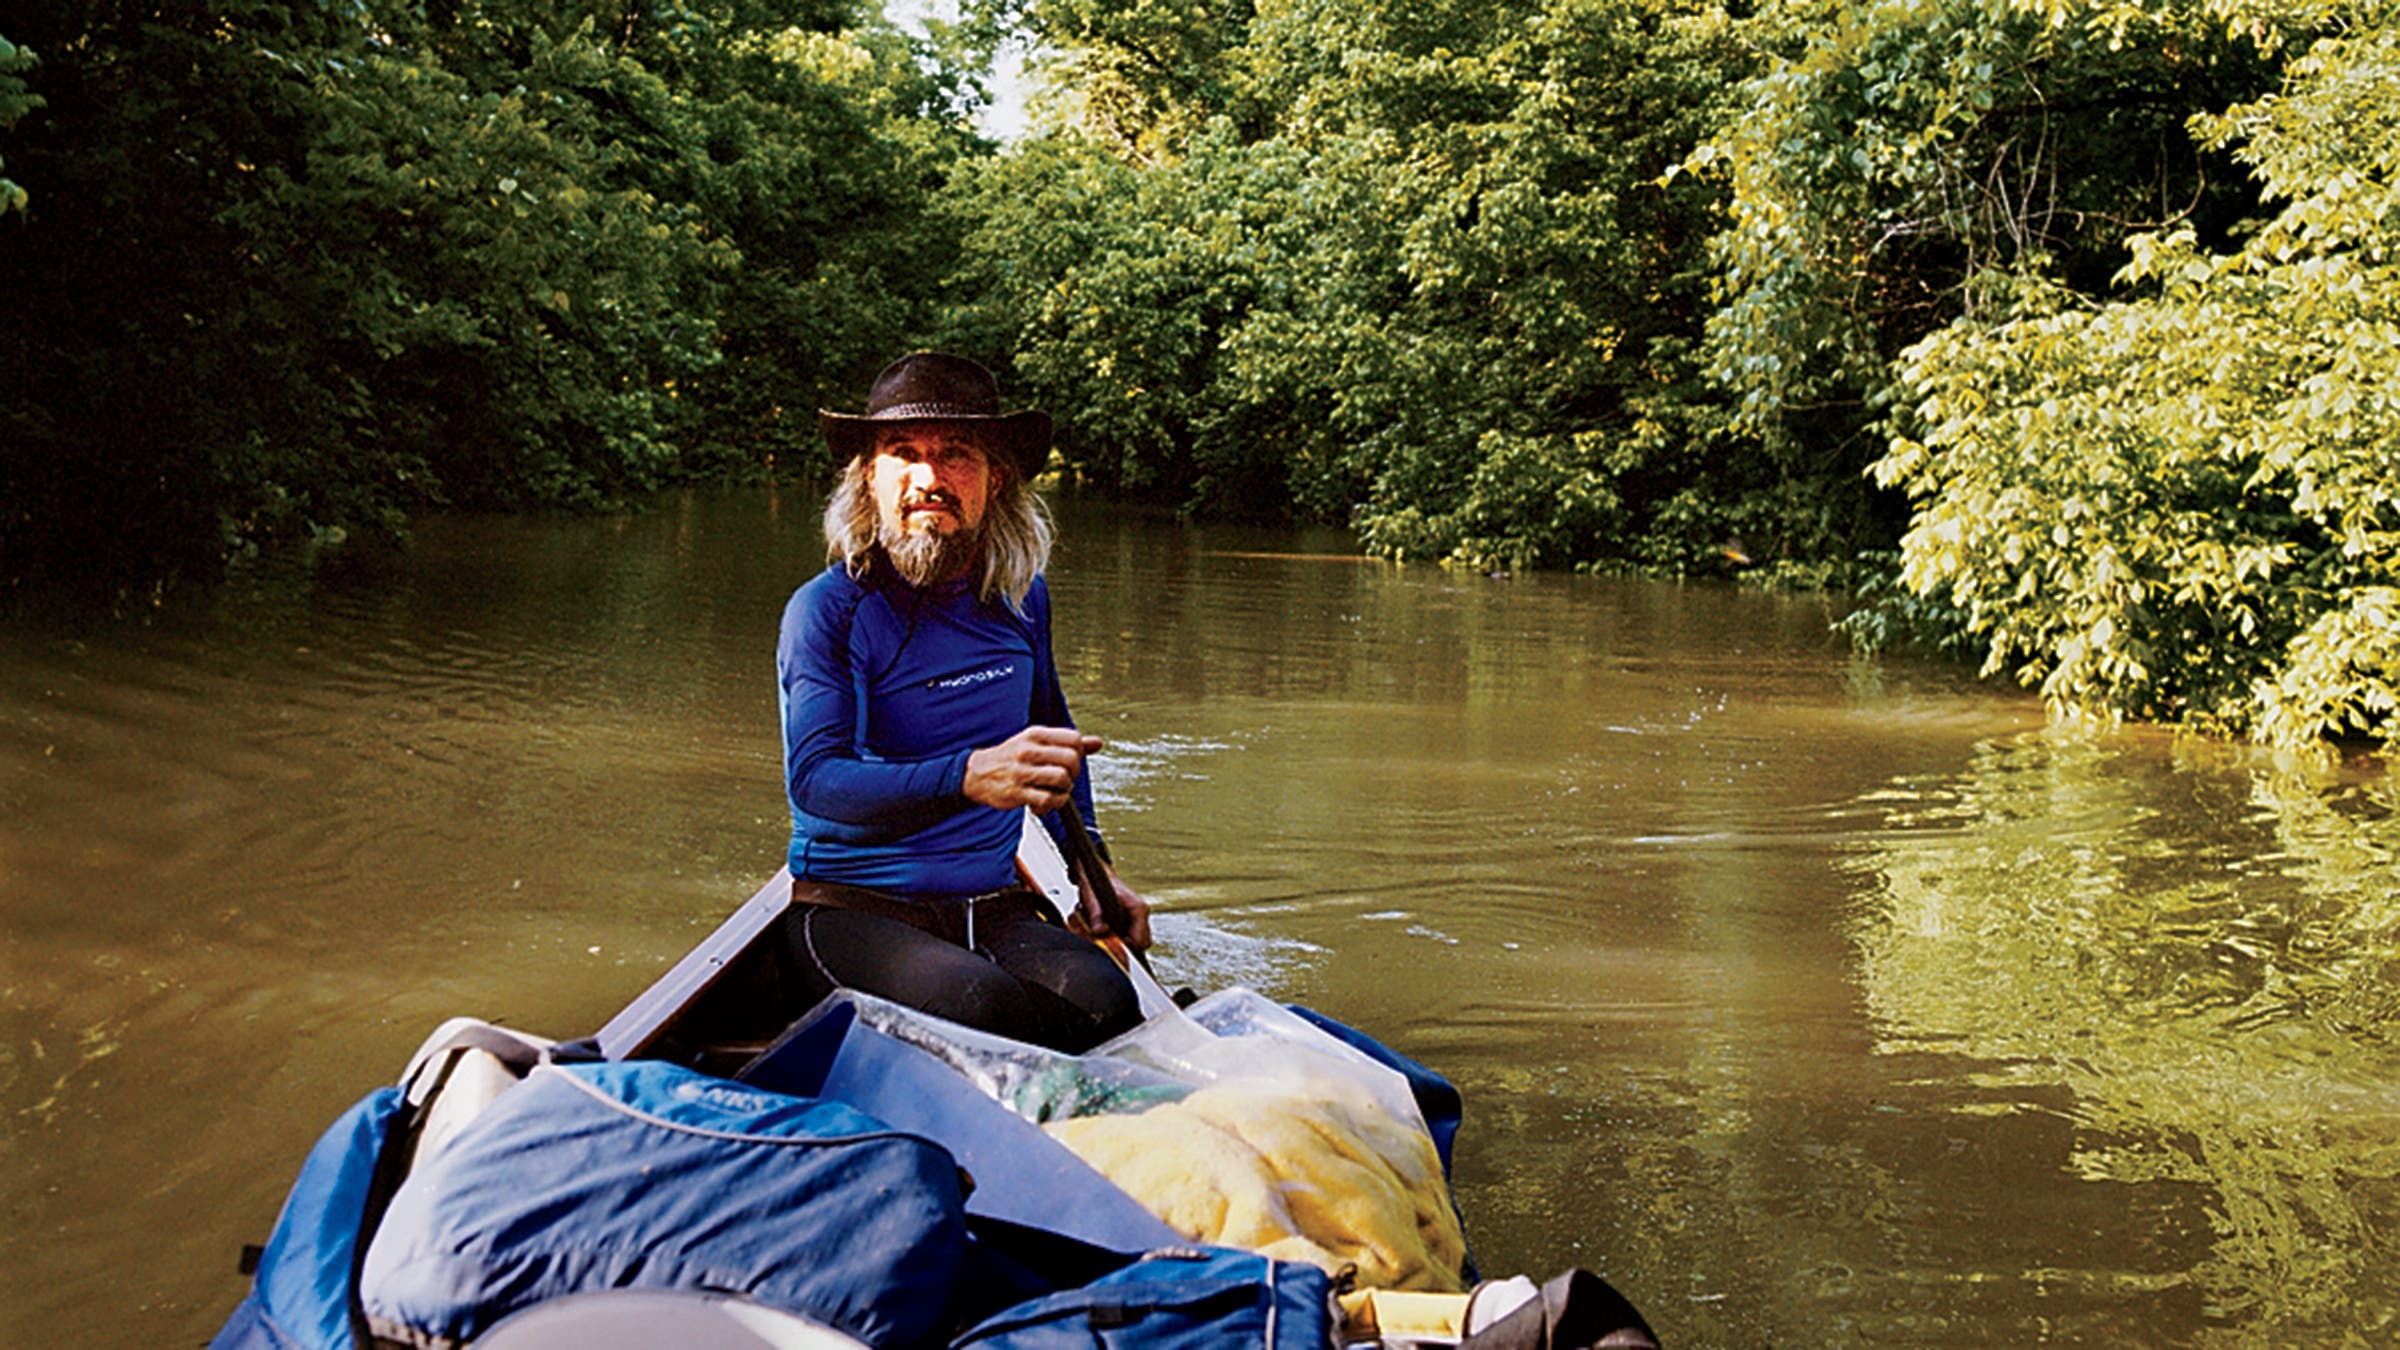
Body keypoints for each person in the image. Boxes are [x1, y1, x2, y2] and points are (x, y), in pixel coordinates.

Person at [776, 350, 1153, 1053]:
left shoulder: (1020, 598)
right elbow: (818, 785)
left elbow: (1054, 738)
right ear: (869, 476)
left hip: (993, 907)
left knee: (1107, 1003)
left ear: (995, 478)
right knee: (983, 1009)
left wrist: (1091, 870)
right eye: (903, 454)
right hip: (855, 911)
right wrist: (969, 776)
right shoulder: (828, 612)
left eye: (956, 454)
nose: (929, 478)